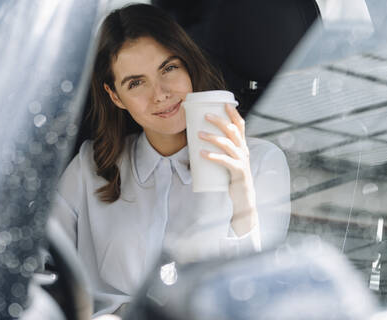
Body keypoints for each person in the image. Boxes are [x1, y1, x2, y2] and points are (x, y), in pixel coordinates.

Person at [51, 3, 291, 318]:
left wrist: (241, 192)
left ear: (188, 65)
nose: (161, 94)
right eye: (136, 83)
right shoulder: (89, 168)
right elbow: (42, 268)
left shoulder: (261, 162)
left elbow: (259, 294)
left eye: (169, 68)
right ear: (115, 96)